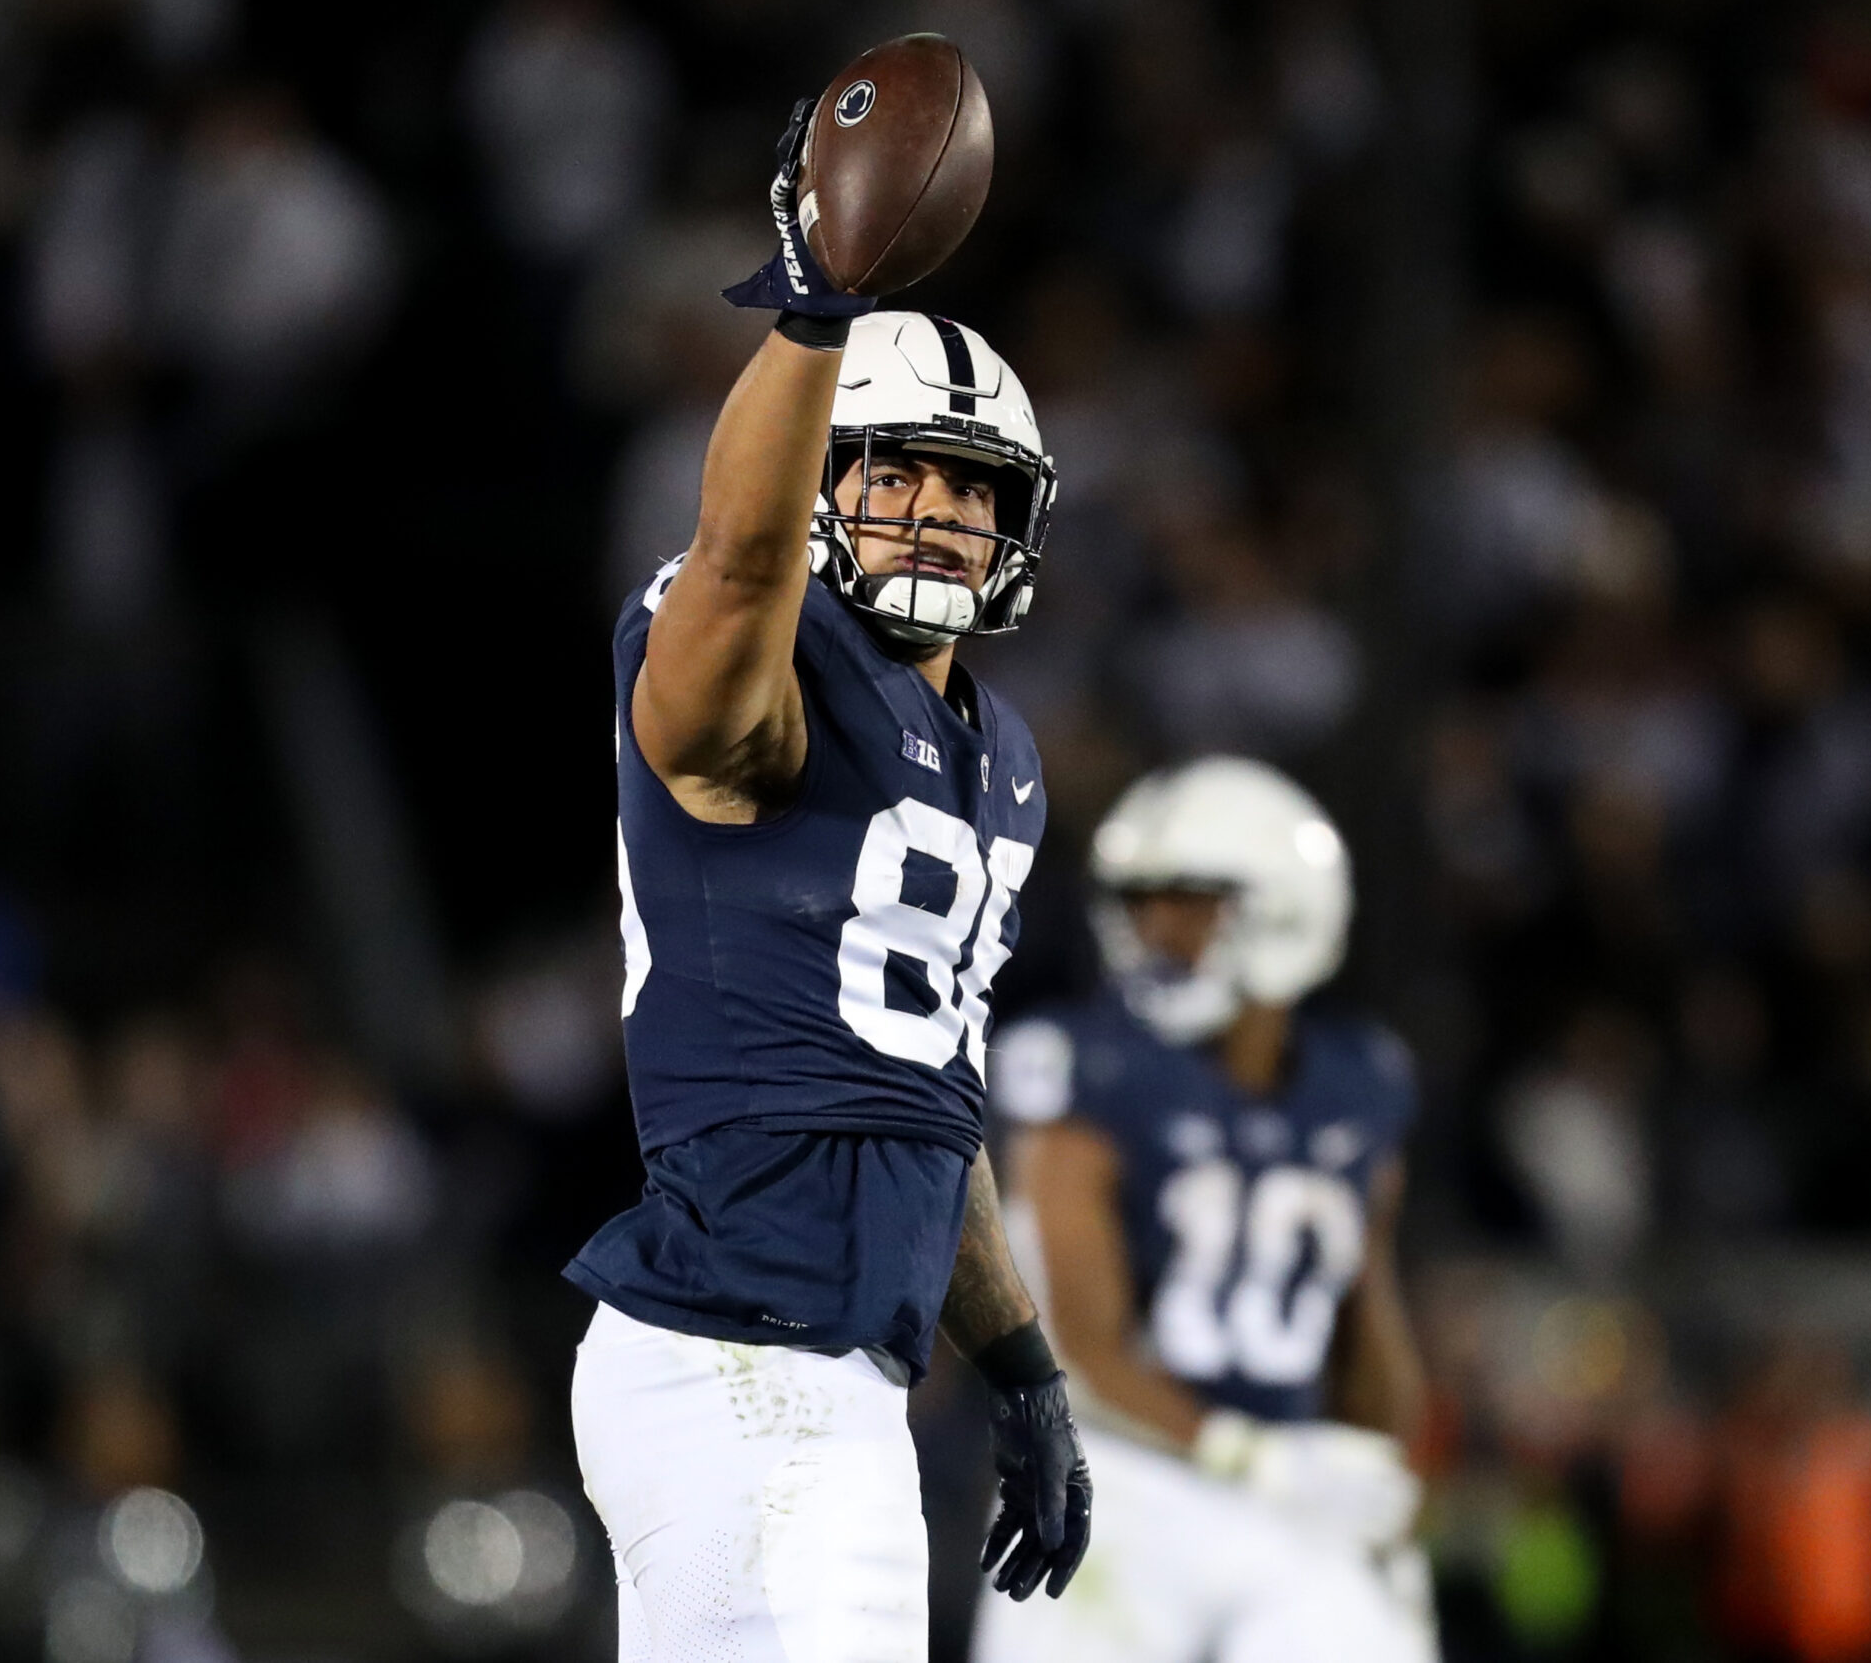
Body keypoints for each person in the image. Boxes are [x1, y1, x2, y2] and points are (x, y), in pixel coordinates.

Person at [562, 95, 1093, 1663]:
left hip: (833, 1375)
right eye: (892, 472)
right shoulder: (765, 656)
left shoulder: (1002, 759)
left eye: (970, 481)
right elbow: (735, 564)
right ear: (819, 488)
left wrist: (1018, 1361)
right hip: (735, 1349)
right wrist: (812, 317)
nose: (938, 505)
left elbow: (928, 1092)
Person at [975, 757, 1437, 1663]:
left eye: (1189, 900)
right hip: (1115, 1475)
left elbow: (1363, 1308)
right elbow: (1078, 1347)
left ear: (1288, 905)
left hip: (1286, 1485)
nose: (1156, 928)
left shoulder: (1360, 1083)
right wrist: (1248, 1455)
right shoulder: (1080, 1067)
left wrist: (1380, 1469)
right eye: (1142, 902)